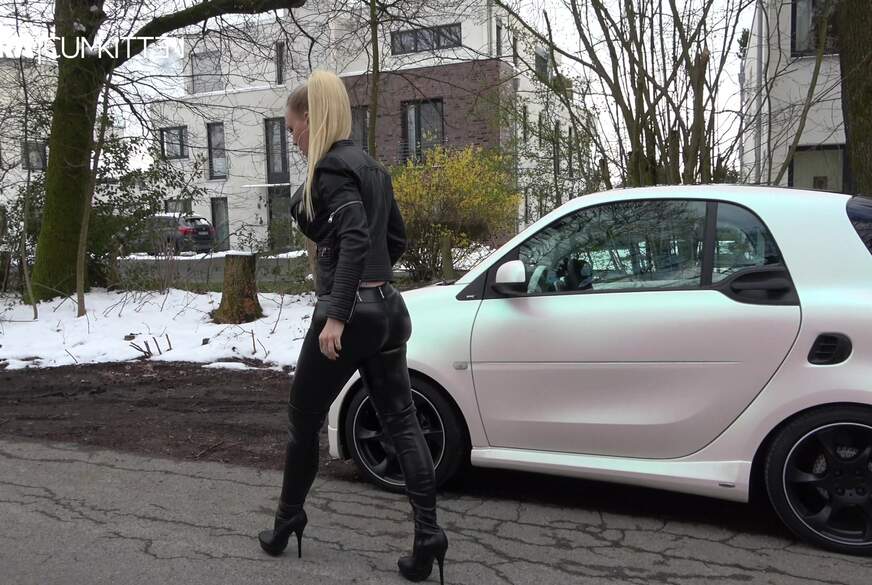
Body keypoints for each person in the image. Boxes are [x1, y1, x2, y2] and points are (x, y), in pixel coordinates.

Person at [257, 70, 448, 585]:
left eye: (293, 128)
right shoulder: (372, 167)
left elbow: (358, 237)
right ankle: (428, 535)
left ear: (312, 119)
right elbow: (395, 238)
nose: (293, 139)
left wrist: (340, 312)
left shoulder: (330, 171)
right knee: (403, 422)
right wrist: (372, 285)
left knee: (302, 420)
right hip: (389, 310)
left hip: (350, 315)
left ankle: (287, 520)